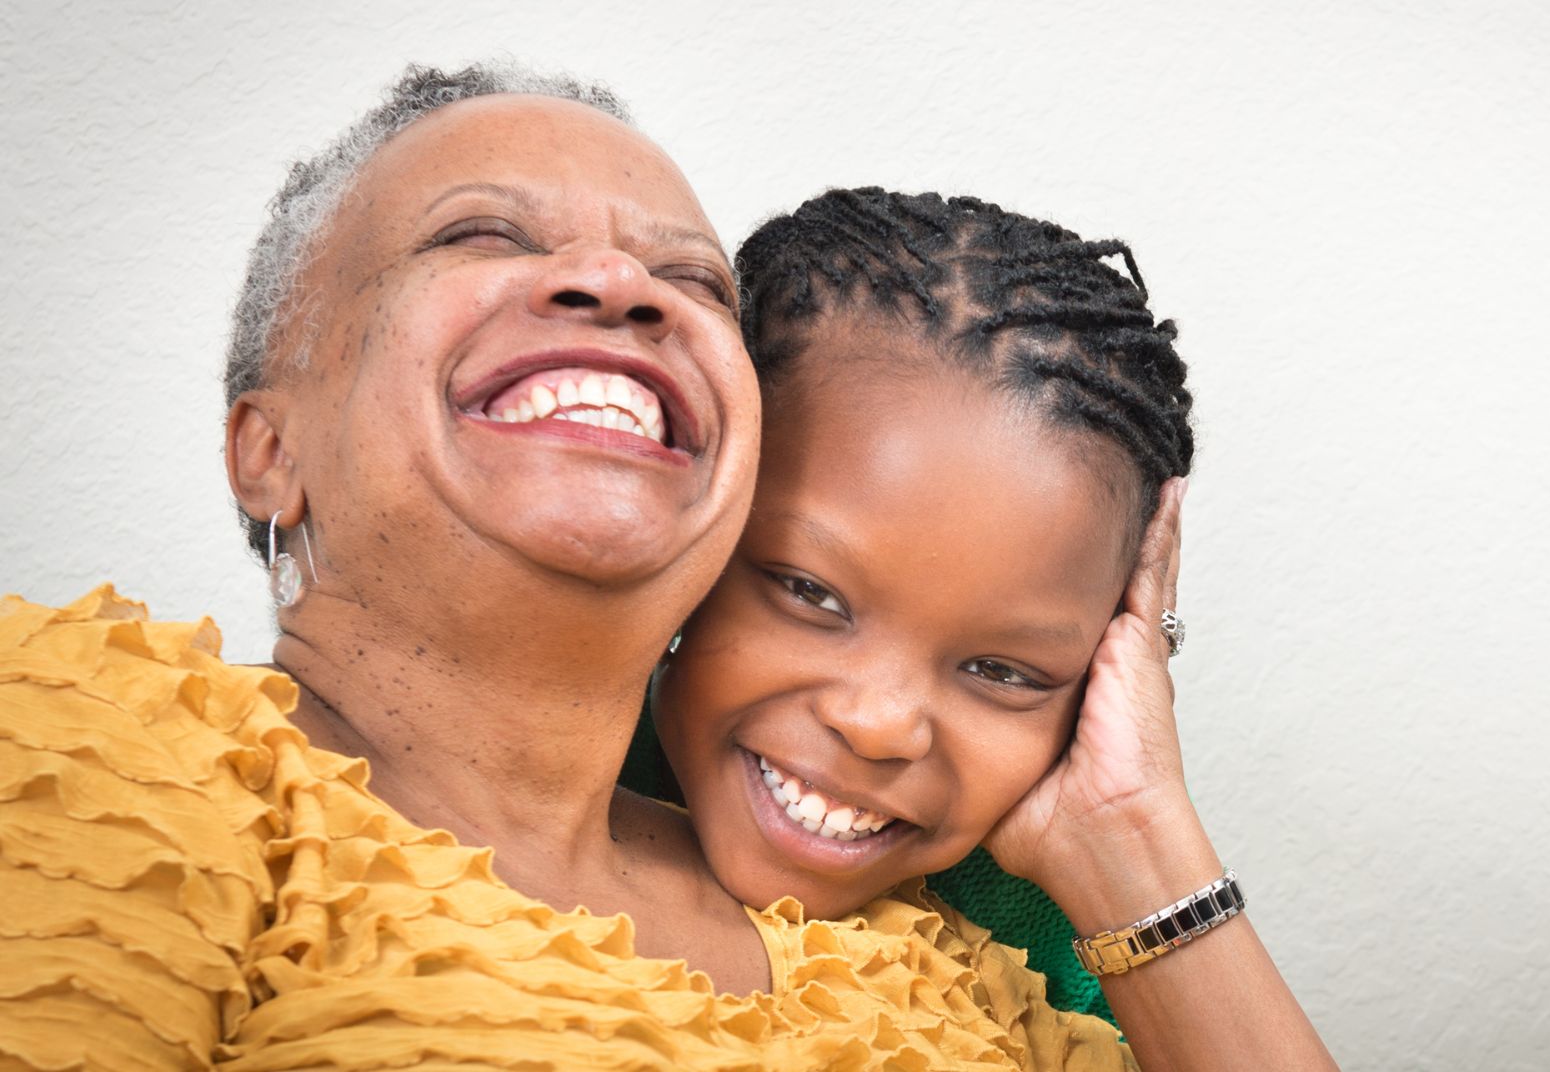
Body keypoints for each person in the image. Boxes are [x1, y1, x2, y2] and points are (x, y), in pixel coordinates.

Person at [1, 64, 1150, 1070]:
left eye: (692, 280)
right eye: (481, 234)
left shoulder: (930, 965)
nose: (615, 282)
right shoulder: (99, 742)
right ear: (269, 449)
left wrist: (1136, 833)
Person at [639, 188, 1336, 1072]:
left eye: (1002, 670)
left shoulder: (1042, 943)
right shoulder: (500, 762)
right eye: (809, 593)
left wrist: (1131, 838)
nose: (880, 723)